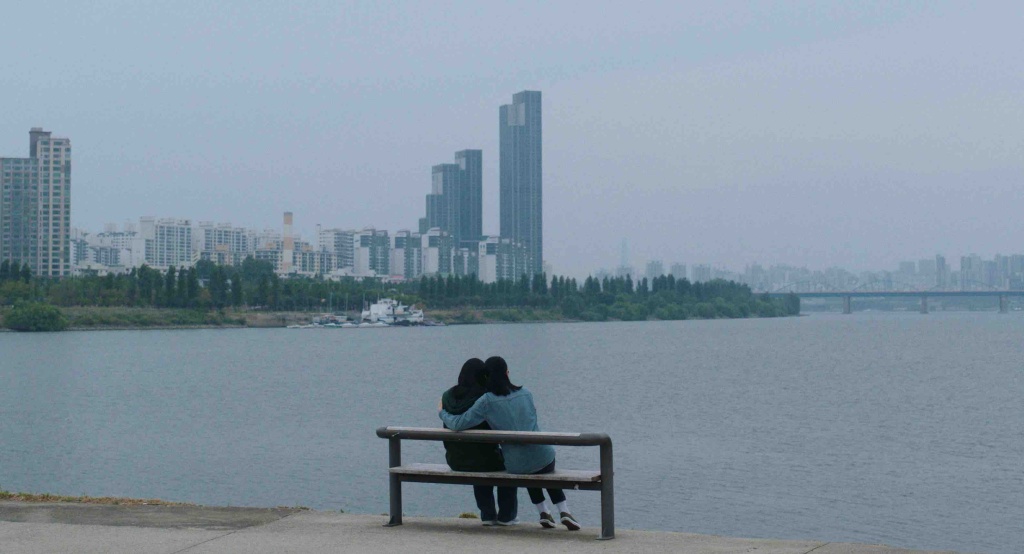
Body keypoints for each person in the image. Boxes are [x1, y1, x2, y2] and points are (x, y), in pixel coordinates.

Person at [438, 356, 580, 531]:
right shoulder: (526, 393)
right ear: (507, 372)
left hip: (516, 465)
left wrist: (442, 413)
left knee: (526, 468)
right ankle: (563, 510)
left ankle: (544, 511)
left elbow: (459, 423)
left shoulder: (486, 401)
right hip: (542, 455)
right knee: (540, 466)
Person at [441, 358, 518, 525]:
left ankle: (487, 514)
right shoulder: (484, 398)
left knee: (477, 457)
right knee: (508, 464)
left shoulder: (446, 396)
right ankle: (507, 515)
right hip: (485, 459)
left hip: (454, 459)